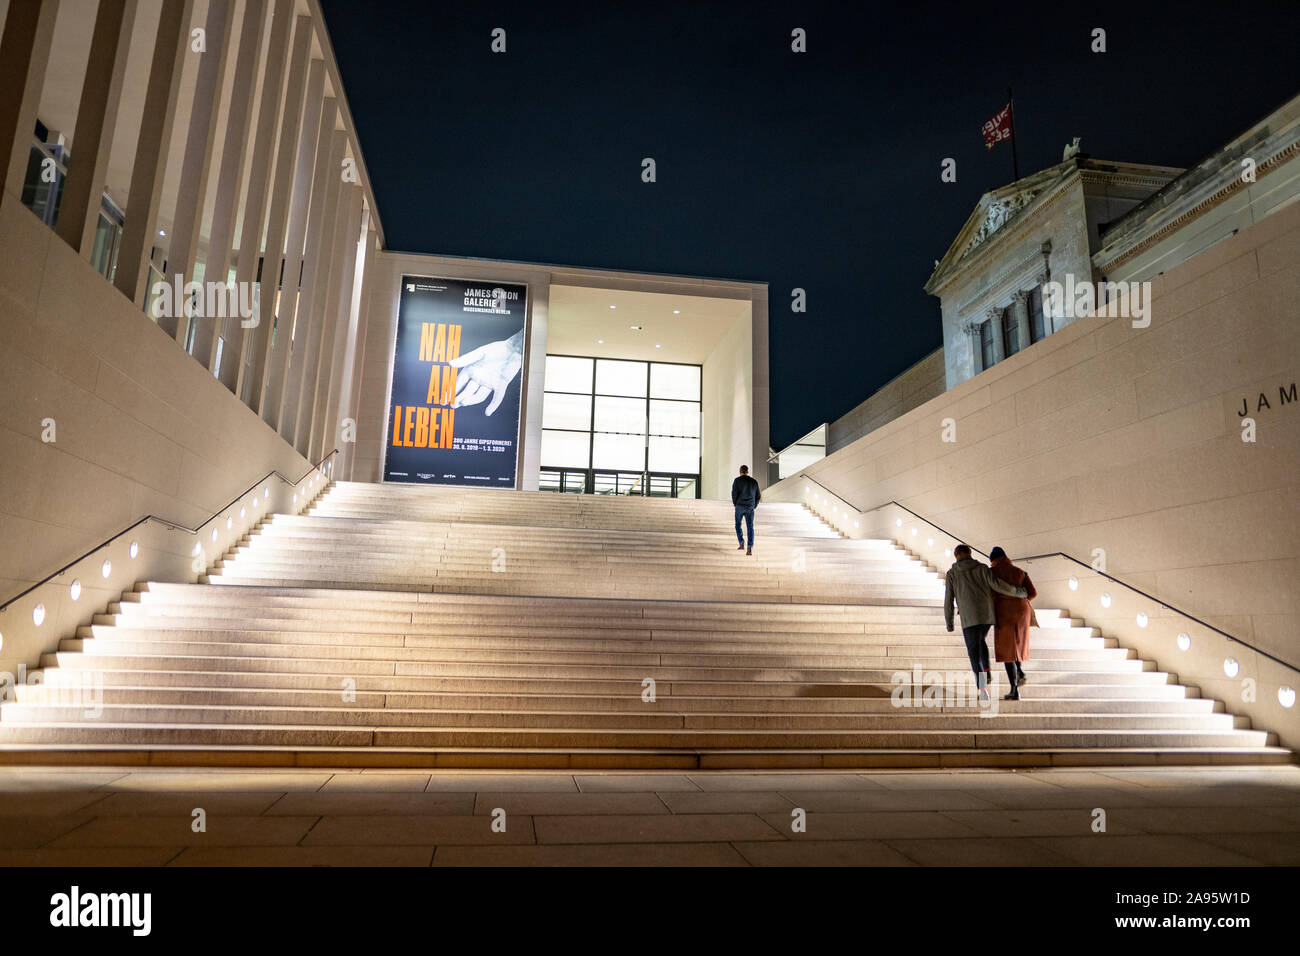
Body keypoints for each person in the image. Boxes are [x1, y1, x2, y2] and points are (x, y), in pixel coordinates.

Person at [944, 544, 1028, 700]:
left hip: (969, 620)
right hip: (986, 617)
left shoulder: (952, 574)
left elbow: (948, 600)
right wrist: (1019, 592)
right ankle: (987, 670)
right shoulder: (982, 568)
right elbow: (998, 585)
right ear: (970, 553)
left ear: (956, 556)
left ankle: (983, 689)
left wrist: (949, 622)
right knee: (980, 640)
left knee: (974, 654)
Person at [989, 546, 1036, 700]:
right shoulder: (1020, 571)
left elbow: (989, 593)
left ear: (992, 560)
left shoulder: (992, 572)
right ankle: (1020, 671)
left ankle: (1014, 690)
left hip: (1004, 612)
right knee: (1018, 645)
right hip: (1022, 611)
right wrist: (1021, 601)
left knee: (1007, 651)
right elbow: (1033, 592)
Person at [731, 465, 761, 555]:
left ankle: (741, 542)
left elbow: (734, 493)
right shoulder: (754, 482)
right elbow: (758, 496)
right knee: (750, 527)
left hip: (740, 506)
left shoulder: (737, 480)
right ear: (747, 472)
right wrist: (754, 505)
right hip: (750, 507)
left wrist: (735, 503)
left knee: (737, 525)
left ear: (740, 471)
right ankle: (749, 547)